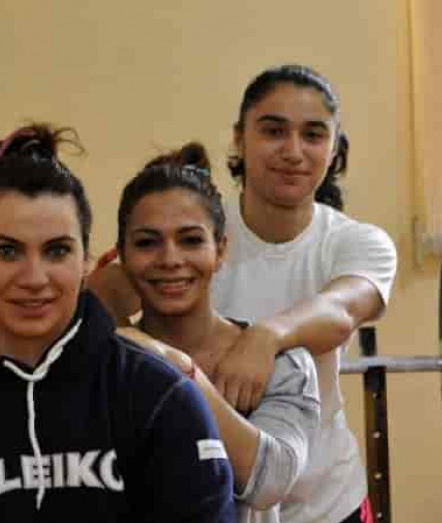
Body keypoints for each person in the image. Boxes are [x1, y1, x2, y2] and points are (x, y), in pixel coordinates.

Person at [0, 124, 237, 522]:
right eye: (7, 251)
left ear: (85, 258)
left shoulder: (160, 395)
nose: (34, 278)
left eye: (57, 251)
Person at [90, 65, 397, 523]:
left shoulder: (358, 242)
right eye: (273, 130)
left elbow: (340, 311)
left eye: (313, 135)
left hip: (324, 501)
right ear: (239, 138)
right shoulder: (194, 225)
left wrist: (264, 337)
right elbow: (103, 294)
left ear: (334, 148)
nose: (293, 151)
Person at [116, 141, 320, 523]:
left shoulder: (282, 364)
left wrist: (180, 370)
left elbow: (270, 482)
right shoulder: (108, 362)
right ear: (122, 255)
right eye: (147, 243)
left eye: (191, 240)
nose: (170, 259)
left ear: (221, 250)